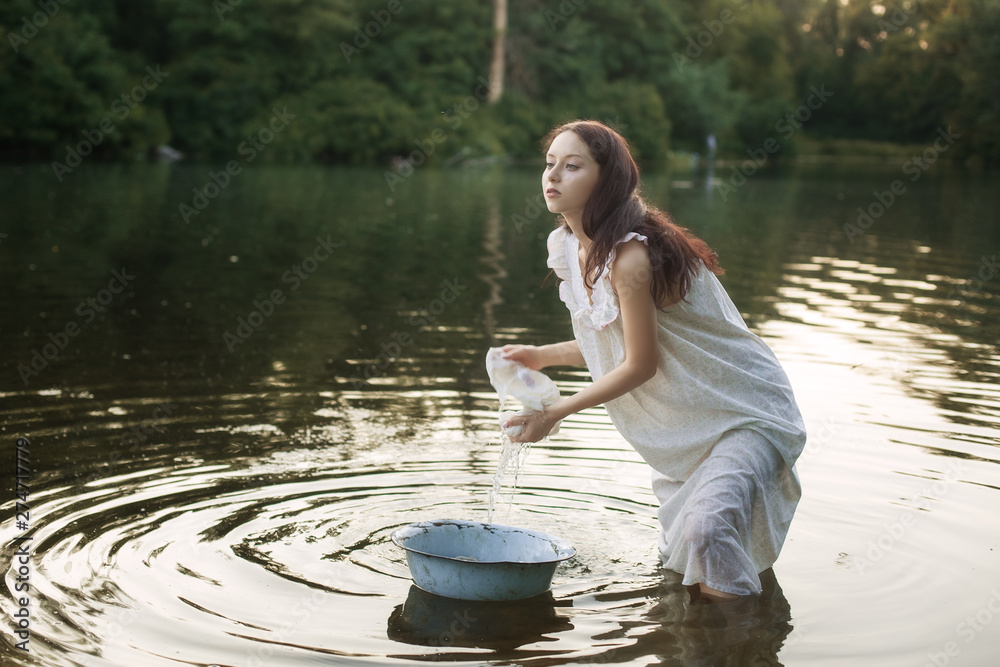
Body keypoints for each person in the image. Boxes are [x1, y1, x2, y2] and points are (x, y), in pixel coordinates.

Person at [500, 120, 806, 601]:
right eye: (549, 163)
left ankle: (741, 639)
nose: (553, 175)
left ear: (606, 180)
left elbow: (640, 364)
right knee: (697, 550)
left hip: (745, 409)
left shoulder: (630, 257)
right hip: (690, 421)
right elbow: (614, 344)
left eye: (572, 166)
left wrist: (555, 412)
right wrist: (542, 356)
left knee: (707, 530)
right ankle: (716, 640)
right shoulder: (567, 247)